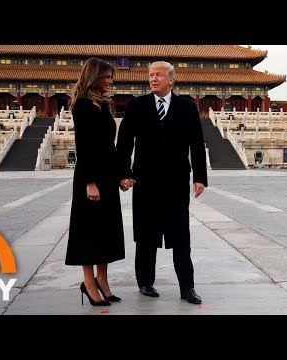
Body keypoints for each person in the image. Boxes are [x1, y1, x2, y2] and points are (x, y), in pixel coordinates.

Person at [116, 61, 207, 304]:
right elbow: (124, 141)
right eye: (150, 75)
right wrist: (123, 173)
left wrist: (199, 178)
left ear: (171, 79)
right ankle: (145, 282)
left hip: (176, 183)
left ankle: (187, 288)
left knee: (181, 237)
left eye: (158, 75)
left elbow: (197, 144)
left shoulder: (186, 107)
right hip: (145, 181)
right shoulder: (137, 105)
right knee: (146, 236)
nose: (153, 79)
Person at [65, 57, 125, 306]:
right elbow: (85, 146)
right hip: (90, 176)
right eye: (107, 77)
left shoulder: (103, 104)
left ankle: (103, 280)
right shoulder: (82, 105)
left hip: (107, 176)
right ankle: (89, 282)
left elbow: (108, 146)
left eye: (111, 77)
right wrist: (90, 182)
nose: (111, 81)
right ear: (95, 76)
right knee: (89, 231)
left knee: (106, 230)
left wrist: (120, 175)